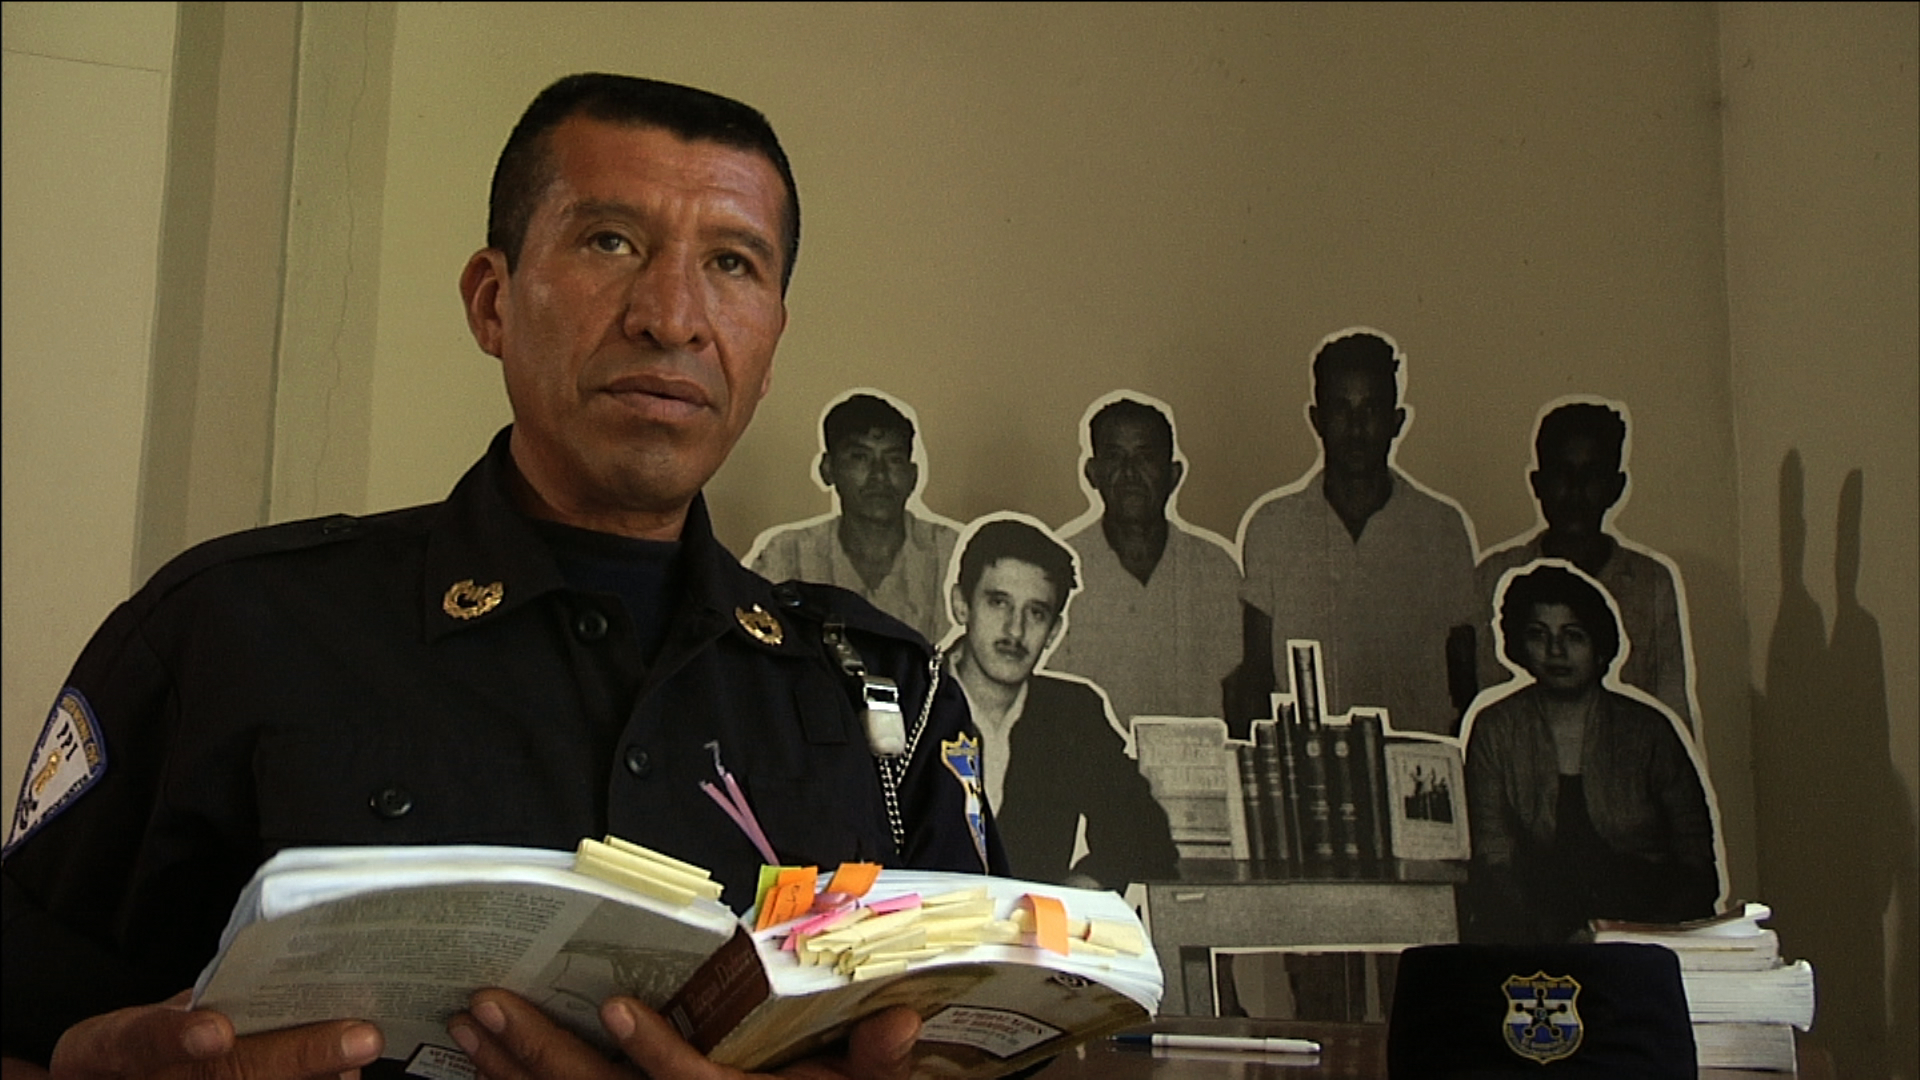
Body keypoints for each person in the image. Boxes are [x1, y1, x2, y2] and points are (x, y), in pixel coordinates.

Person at [0, 73, 1001, 1079]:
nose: (672, 318)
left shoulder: (881, 695)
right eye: (610, 242)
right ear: (492, 301)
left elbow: (998, 1037)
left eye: (732, 264)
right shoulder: (229, 631)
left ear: (771, 339)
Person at [1235, 328, 1481, 736]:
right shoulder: (1273, 527)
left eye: (1371, 410)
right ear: (1316, 419)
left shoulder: (1441, 527)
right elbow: (1256, 676)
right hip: (1311, 761)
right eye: (1341, 409)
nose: (1355, 428)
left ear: (1397, 421)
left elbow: (1465, 678)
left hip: (1417, 760)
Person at [1461, 562, 1720, 946]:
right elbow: (1492, 857)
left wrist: (1637, 935)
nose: (1556, 651)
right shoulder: (1496, 729)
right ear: (1518, 645)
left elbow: (1695, 861)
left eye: (1574, 635)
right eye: (1538, 635)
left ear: (1599, 646)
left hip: (1647, 931)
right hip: (1533, 935)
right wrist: (1551, 937)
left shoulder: (1648, 731)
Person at [943, 515, 1179, 891]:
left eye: (1036, 613)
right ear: (961, 605)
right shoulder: (907, 700)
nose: (1015, 630)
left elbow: (1143, 830)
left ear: (1053, 632)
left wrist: (1084, 885)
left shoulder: (1072, 713)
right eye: (998, 603)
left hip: (1035, 925)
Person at [1473, 399, 1697, 730]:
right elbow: (1480, 696)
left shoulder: (1650, 583)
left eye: (1591, 477)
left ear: (1615, 488)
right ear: (1537, 483)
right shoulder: (1495, 577)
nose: (1575, 492)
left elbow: (1673, 713)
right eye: (1561, 475)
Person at [1048, 394, 1243, 728]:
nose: (1130, 473)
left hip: (1198, 759)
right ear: (1092, 473)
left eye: (1145, 457)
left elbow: (1239, 693)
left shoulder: (1215, 569)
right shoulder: (1057, 568)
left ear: (1173, 474)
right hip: (1088, 759)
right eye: (1115, 457)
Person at [747, 391, 959, 645]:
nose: (879, 475)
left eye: (893, 459)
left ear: (912, 475)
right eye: (860, 457)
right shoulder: (788, 555)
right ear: (828, 469)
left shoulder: (952, 553)